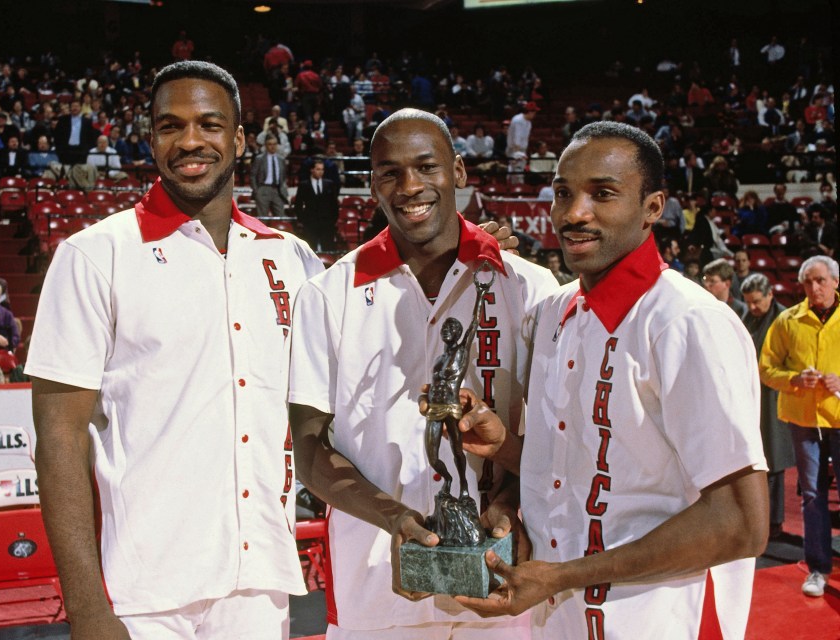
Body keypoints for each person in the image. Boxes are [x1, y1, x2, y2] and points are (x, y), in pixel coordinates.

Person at [23, 60, 325, 640]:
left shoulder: (289, 257)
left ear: (238, 138)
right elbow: (59, 439)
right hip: (143, 594)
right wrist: (86, 609)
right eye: (170, 126)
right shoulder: (95, 255)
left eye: (210, 125)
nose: (191, 141)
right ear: (151, 137)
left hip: (259, 583)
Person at [447, 121, 768, 639]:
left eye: (603, 194)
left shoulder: (688, 322)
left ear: (653, 208)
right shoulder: (552, 313)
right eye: (564, 193)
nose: (575, 213)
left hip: (661, 620)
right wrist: (507, 449)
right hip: (562, 615)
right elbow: (586, 471)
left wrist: (563, 575)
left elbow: (740, 523)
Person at [288, 108, 557, 639]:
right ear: (372, 186)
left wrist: (509, 500)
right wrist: (393, 517)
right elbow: (310, 451)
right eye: (390, 172)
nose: (409, 186)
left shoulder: (530, 288)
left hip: (502, 585)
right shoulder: (327, 295)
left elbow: (550, 441)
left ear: (457, 172)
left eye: (426, 167)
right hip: (375, 590)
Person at [759, 255, 840, 598]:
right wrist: (794, 379)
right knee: (811, 495)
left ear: (835, 281)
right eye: (808, 282)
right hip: (803, 420)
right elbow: (765, 368)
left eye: (820, 280)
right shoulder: (787, 320)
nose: (814, 288)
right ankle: (818, 567)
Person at [741, 274, 794, 539]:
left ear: (770, 294)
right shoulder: (749, 317)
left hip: (774, 398)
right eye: (749, 302)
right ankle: (761, 521)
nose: (753, 307)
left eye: (757, 302)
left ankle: (775, 523)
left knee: (774, 462)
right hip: (753, 398)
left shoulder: (785, 319)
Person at [293, 159, 339, 250]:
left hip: (326, 224)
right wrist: (302, 220)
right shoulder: (304, 185)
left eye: (322, 169)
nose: (320, 172)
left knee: (327, 248)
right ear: (312, 170)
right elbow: (298, 204)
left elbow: (334, 204)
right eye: (318, 169)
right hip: (310, 224)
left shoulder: (329, 184)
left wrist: (333, 220)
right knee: (311, 249)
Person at [251, 136, 289, 217]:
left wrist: (284, 188)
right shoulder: (259, 159)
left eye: (275, 144)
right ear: (265, 145)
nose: (273, 146)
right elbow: (253, 176)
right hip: (263, 190)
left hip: (278, 191)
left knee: (281, 217)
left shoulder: (281, 159)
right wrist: (257, 191)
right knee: (262, 218)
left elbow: (284, 176)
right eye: (270, 144)